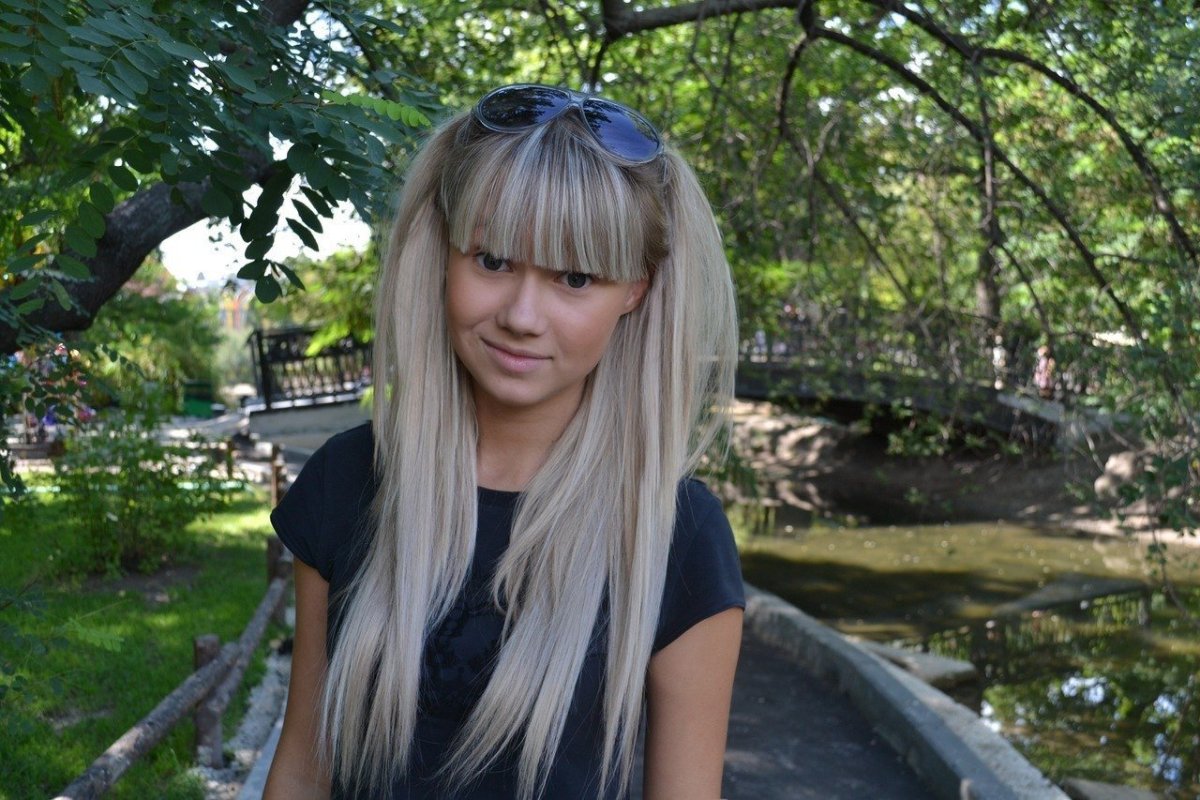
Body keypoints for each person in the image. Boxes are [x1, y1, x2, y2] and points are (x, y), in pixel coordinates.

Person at [264, 84, 744, 800]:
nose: (522, 315)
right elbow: (304, 767)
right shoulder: (347, 480)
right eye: (492, 261)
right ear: (445, 257)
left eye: (574, 277)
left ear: (634, 291)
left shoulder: (678, 536)